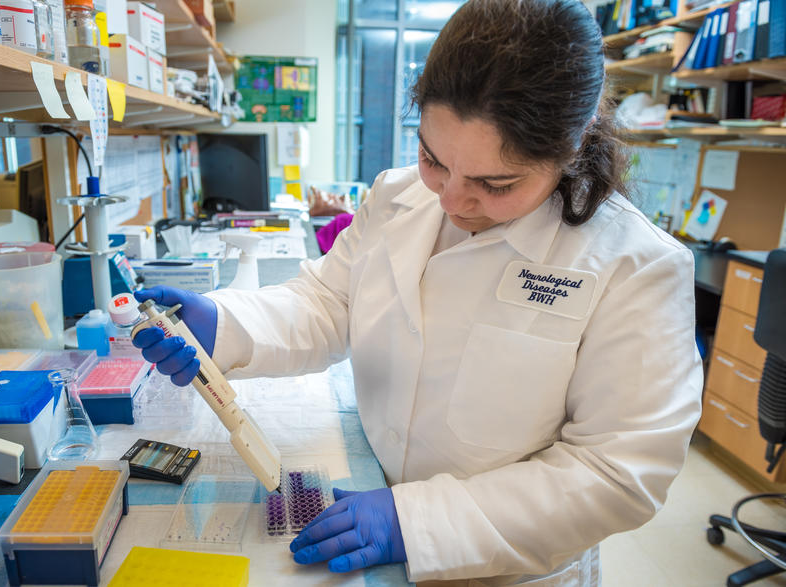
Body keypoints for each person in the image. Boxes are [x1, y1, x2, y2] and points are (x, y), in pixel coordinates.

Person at [132, 0, 703, 583]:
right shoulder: (395, 195)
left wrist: (421, 522)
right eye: (433, 158)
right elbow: (329, 302)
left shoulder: (637, 266)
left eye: (495, 183)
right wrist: (226, 324)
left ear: (574, 142)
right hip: (368, 496)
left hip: (502, 565)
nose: (452, 201)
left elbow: (616, 472)